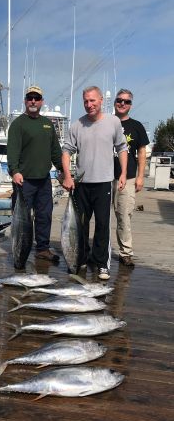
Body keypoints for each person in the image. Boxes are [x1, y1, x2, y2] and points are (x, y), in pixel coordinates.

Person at [61, 86, 128, 280]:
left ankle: (101, 263)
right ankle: (80, 257)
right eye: (85, 101)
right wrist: (67, 175)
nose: (89, 105)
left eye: (92, 101)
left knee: (102, 224)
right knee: (80, 225)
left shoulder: (113, 122)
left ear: (101, 100)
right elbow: (66, 152)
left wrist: (123, 173)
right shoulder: (76, 125)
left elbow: (122, 148)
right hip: (81, 184)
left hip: (104, 182)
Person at [7, 85, 63, 261]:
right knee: (22, 221)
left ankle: (42, 249)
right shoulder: (18, 124)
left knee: (44, 216)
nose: (33, 101)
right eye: (30, 97)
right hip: (24, 182)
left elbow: (55, 151)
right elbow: (12, 151)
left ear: (41, 102)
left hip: (44, 180)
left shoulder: (47, 124)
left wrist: (63, 170)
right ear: (25, 100)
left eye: (36, 98)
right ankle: (20, 251)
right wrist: (14, 171)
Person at [113, 89, 149, 267]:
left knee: (124, 216)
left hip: (127, 179)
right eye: (119, 100)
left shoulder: (137, 126)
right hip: (104, 177)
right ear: (114, 102)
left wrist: (141, 177)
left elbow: (142, 152)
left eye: (126, 101)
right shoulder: (106, 122)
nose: (122, 103)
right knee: (101, 216)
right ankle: (97, 251)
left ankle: (125, 252)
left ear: (130, 105)